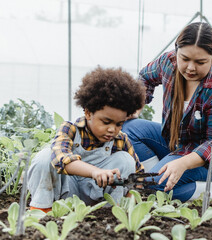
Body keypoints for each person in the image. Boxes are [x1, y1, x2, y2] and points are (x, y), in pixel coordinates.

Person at [122, 22, 212, 202]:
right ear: (176, 51)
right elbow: (145, 78)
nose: (191, 68)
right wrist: (137, 106)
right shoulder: (168, 63)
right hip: (178, 142)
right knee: (128, 128)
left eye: (200, 62)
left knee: (154, 188)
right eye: (184, 59)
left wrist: (183, 163)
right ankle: (161, 177)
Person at [27, 66, 145, 212]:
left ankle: (113, 212)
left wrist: (131, 197)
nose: (112, 129)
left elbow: (139, 175)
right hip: (66, 196)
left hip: (98, 200)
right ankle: (42, 211)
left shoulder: (120, 139)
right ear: (88, 113)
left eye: (119, 124)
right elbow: (61, 158)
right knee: (45, 157)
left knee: (126, 160)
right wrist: (95, 171)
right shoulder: (70, 129)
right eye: (106, 122)